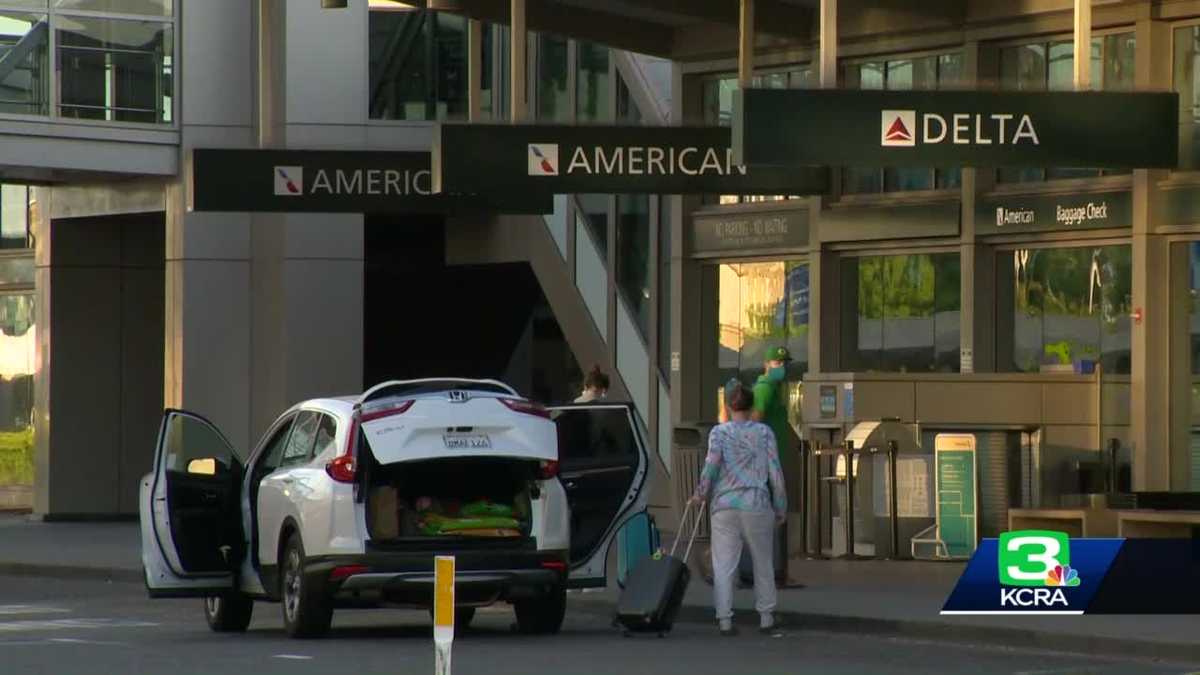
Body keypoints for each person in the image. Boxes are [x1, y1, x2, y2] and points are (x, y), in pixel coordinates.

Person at [690, 380, 787, 637]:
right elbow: (775, 472)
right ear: (751, 405)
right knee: (762, 561)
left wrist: (700, 494)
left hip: (724, 506)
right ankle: (766, 617)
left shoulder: (718, 433)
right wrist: (781, 506)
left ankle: (724, 620)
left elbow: (710, 467)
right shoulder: (764, 433)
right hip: (756, 503)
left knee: (724, 565)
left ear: (729, 406)